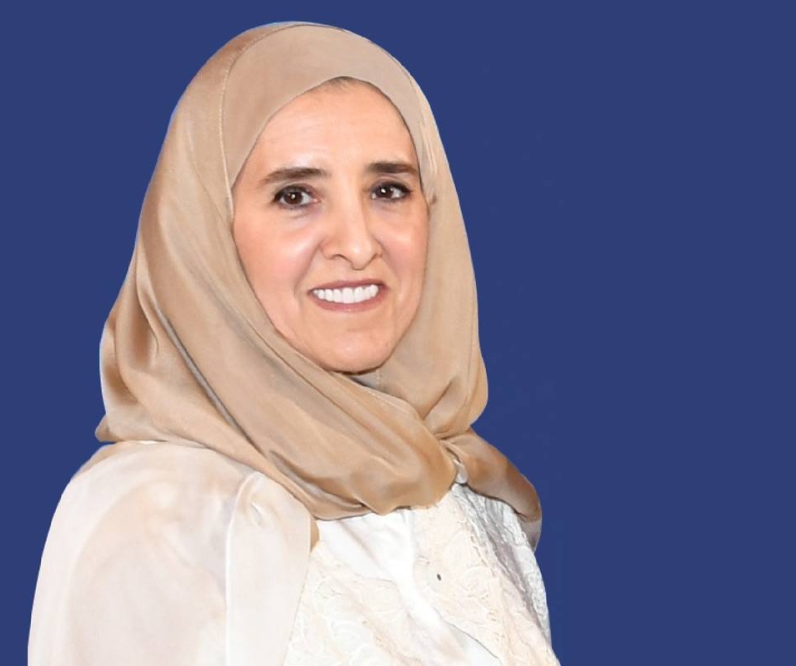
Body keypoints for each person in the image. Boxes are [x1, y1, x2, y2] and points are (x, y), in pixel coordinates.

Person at [29, 22, 559, 665]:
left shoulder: (463, 494)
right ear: (205, 235)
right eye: (296, 196)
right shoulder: (158, 519)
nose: (357, 244)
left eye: (387, 190)